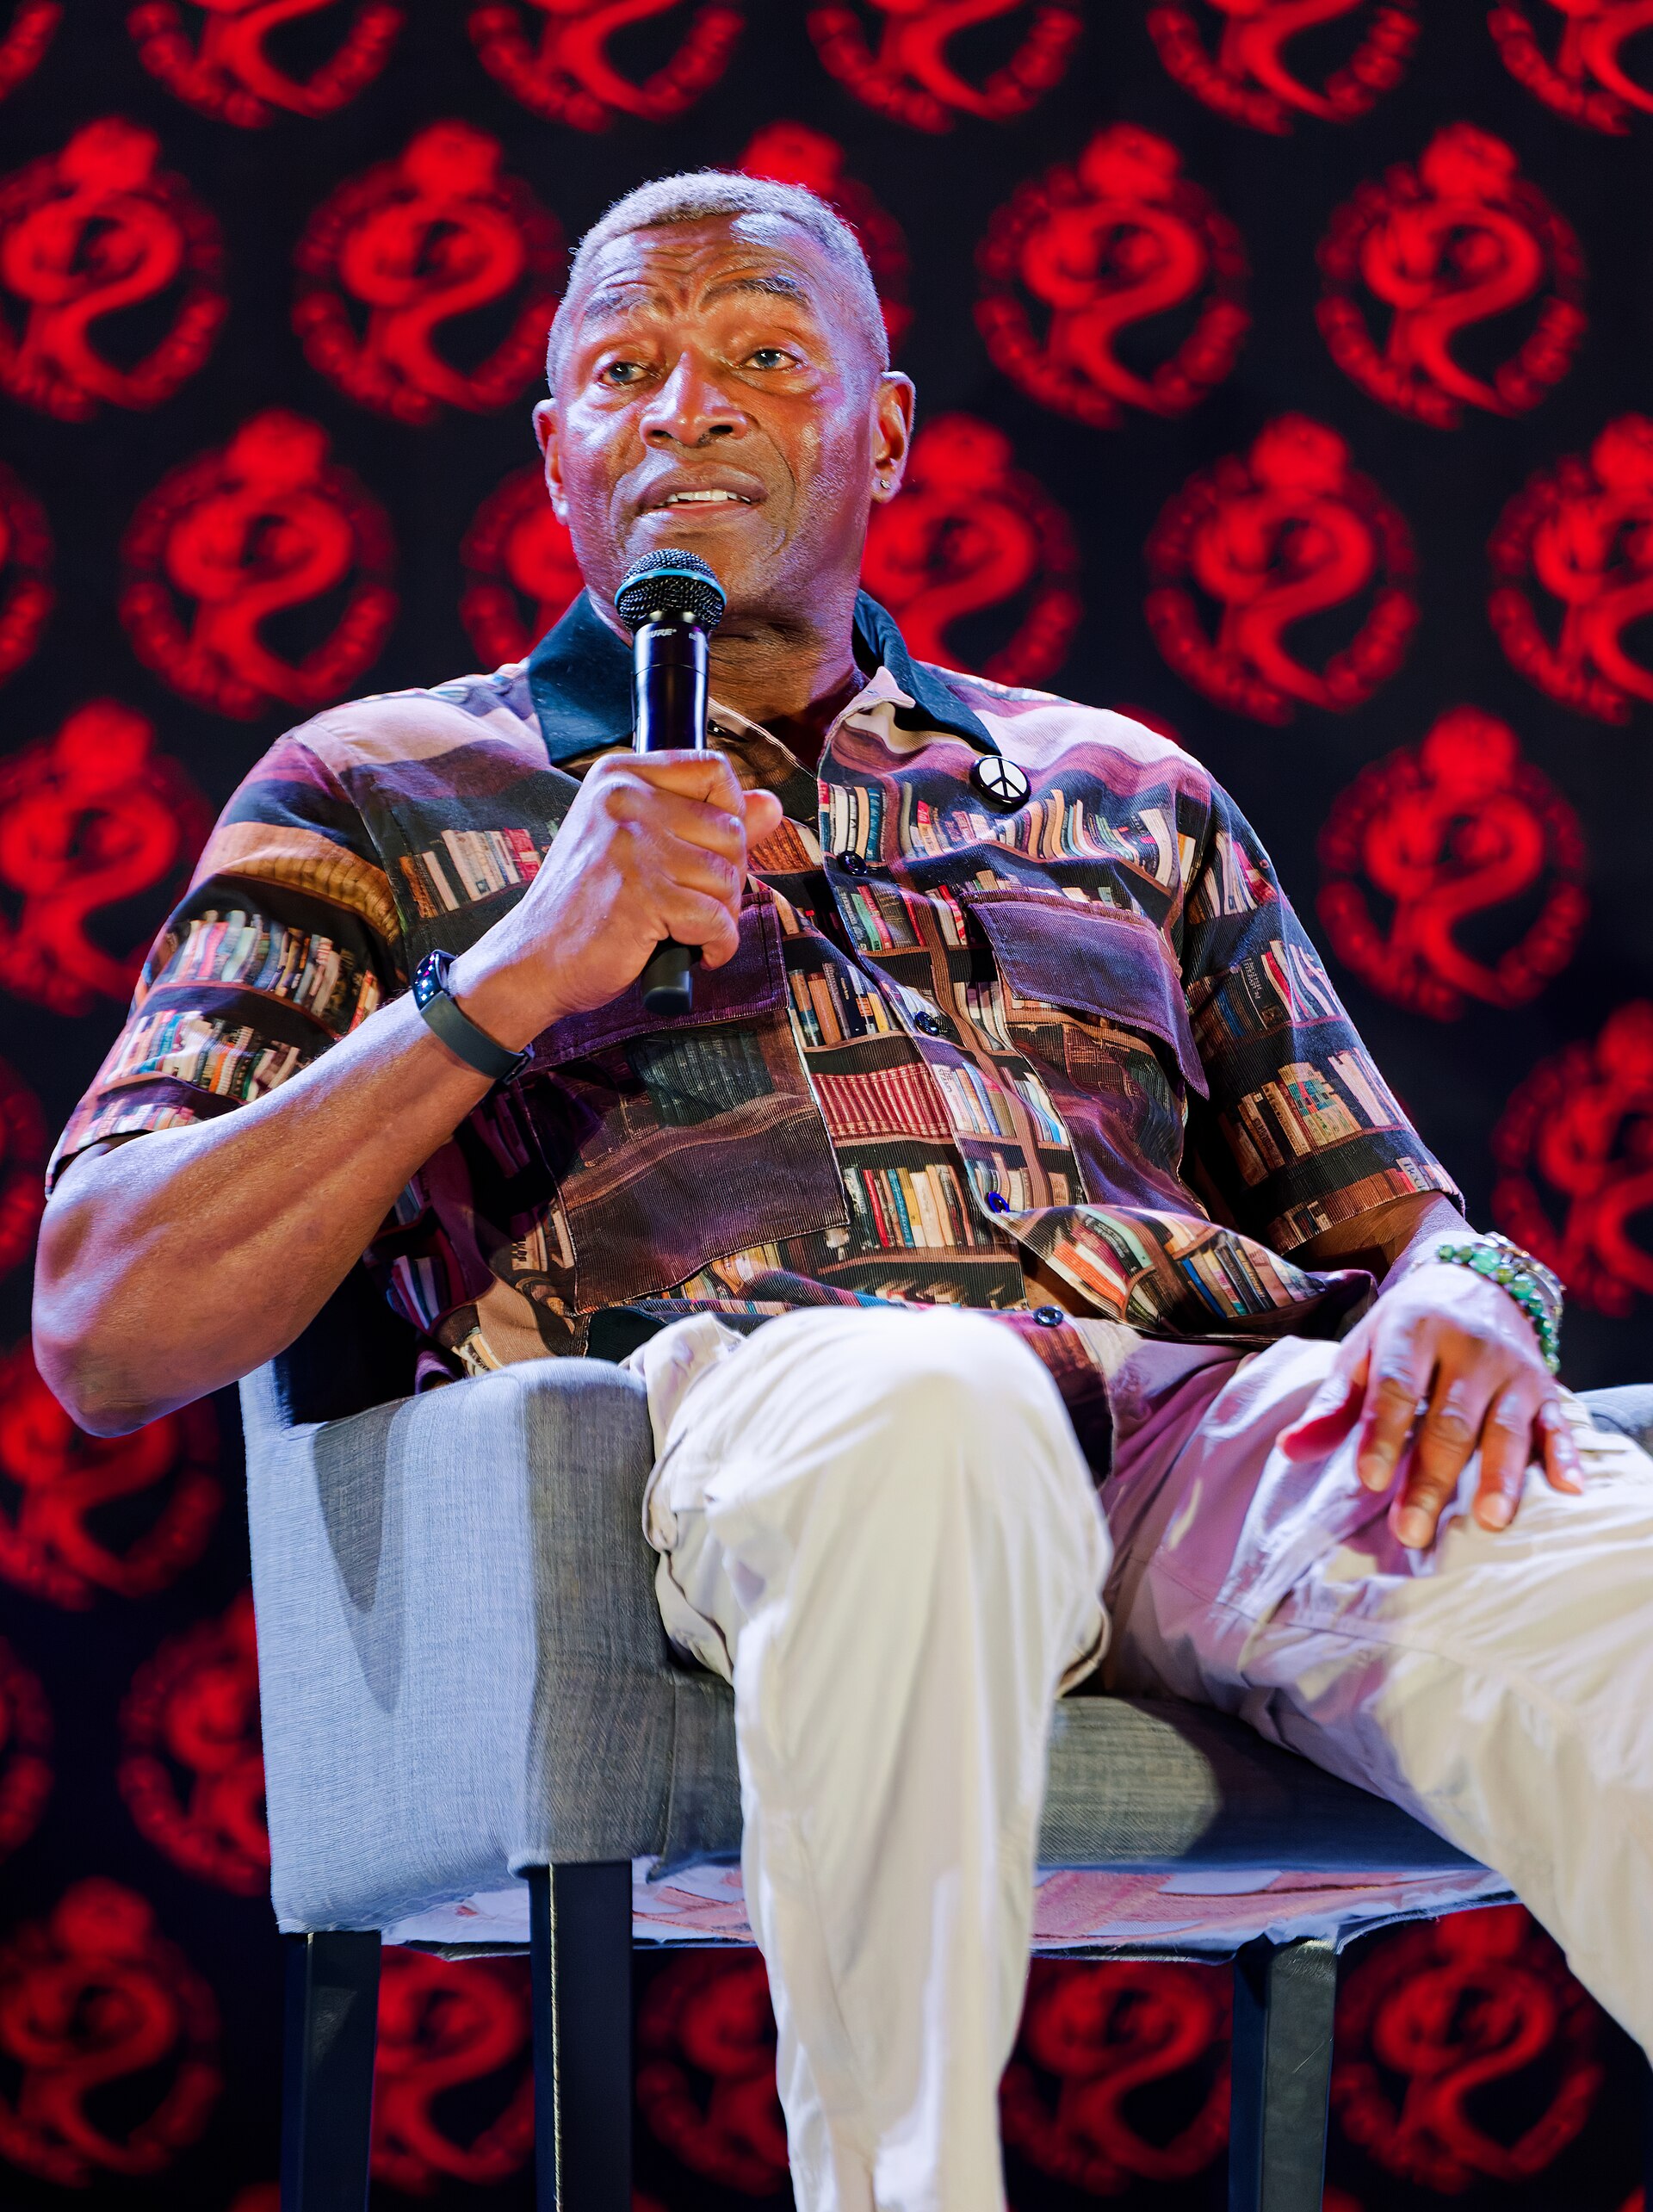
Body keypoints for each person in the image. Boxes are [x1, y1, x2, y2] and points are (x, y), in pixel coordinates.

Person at [31, 172, 1652, 2212]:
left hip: (1203, 1437)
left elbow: (1400, 1225)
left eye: (764, 361)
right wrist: (510, 971)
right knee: (934, 1406)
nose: (684, 412)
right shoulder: (378, 786)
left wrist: (1476, 1292)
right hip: (769, 1425)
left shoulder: (1121, 789)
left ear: (882, 433)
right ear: (556, 462)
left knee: (1613, 1563)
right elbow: (102, 1317)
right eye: (623, 372)